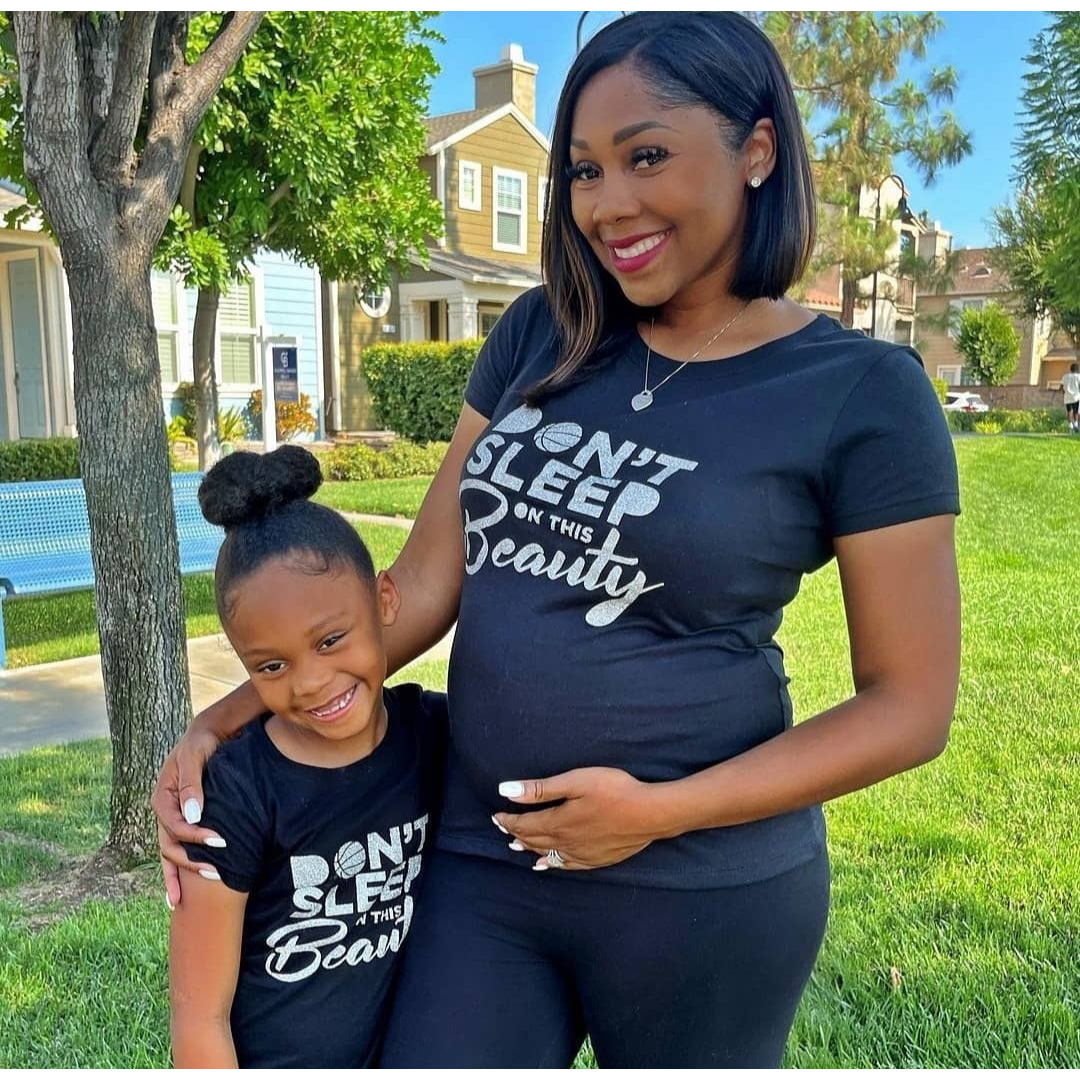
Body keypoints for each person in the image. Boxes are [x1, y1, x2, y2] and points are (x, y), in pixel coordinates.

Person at [155, 11, 961, 1068]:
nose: (608, 203)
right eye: (583, 170)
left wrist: (658, 811)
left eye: (647, 156)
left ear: (758, 150)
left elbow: (910, 708)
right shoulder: (543, 331)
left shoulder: (861, 392)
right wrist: (223, 725)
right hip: (485, 858)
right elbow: (422, 584)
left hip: (701, 884)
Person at [167, 445, 446, 1068]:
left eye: (331, 639)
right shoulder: (234, 793)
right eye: (271, 666)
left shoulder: (432, 735)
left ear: (384, 601)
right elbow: (199, 1016)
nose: (312, 682)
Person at [1062, 362, 1080, 433]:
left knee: (1069, 411)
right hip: (1076, 396)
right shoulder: (1078, 376)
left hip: (1067, 396)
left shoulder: (1065, 376)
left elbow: (1062, 387)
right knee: (1076, 411)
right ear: (1077, 369)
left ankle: (1070, 426)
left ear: (1071, 369)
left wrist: (1064, 393)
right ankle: (1076, 424)